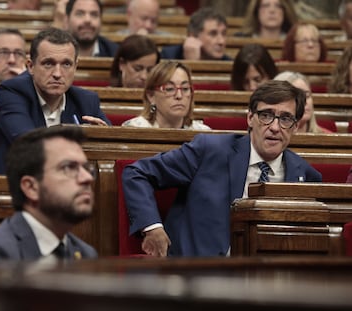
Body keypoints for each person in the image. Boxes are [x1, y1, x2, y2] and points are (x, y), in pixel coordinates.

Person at [122, 80, 322, 257]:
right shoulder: (210, 151)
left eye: (286, 118)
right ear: (250, 118)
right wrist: (152, 227)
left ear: (296, 127)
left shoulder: (305, 175)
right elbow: (137, 173)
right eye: (266, 115)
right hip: (197, 280)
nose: (275, 127)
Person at [0, 27, 110, 175]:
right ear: (30, 66)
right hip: (11, 186)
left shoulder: (86, 100)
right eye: (48, 63)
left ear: (76, 67)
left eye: (66, 64)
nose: (57, 74)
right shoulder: (12, 92)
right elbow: (28, 143)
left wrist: (103, 137)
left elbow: (110, 147)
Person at [0, 126, 98, 261]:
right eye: (68, 168)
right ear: (31, 187)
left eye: (86, 168)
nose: (87, 178)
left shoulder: (85, 253)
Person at [122, 61, 210, 130]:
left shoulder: (203, 134)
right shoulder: (133, 130)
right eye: (169, 89)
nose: (179, 96)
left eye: (185, 88)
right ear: (151, 96)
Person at [160, 8, 232, 61]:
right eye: (213, 34)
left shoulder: (231, 64)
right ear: (193, 36)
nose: (221, 41)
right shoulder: (169, 57)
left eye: (224, 34)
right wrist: (191, 63)